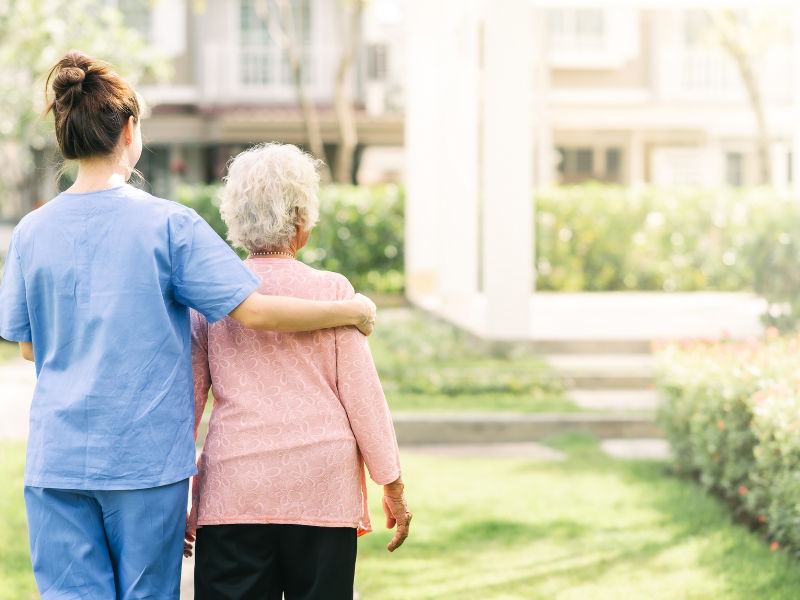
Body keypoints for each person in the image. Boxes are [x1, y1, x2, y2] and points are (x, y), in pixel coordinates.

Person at [0, 50, 377, 600]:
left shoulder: (30, 232)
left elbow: (30, 348)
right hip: (144, 464)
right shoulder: (168, 224)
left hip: (57, 461)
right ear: (129, 130)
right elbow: (254, 310)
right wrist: (349, 310)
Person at [186, 142, 411, 600]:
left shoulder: (211, 298)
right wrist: (393, 488)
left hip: (235, 492)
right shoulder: (333, 292)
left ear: (236, 218)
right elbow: (364, 401)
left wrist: (178, 499)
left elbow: (184, 407)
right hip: (321, 490)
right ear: (302, 222)